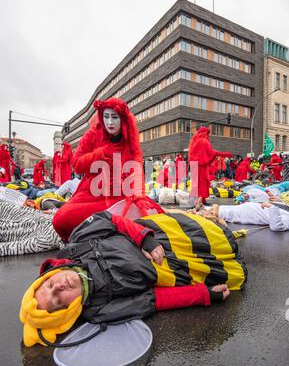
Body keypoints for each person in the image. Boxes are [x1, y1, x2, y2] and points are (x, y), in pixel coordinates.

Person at [19, 209, 248, 347]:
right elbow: (154, 300)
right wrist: (203, 295)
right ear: (70, 310)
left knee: (217, 234)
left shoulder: (78, 241)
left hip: (157, 235)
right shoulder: (102, 310)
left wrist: (145, 239)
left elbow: (112, 220)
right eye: (59, 300)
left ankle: (217, 221)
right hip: (172, 269)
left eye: (49, 284)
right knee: (236, 272)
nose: (59, 286)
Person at [52, 98, 163, 242]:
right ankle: (106, 231)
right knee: (61, 220)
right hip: (91, 194)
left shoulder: (129, 140)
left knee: (158, 220)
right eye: (106, 117)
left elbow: (136, 169)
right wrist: (100, 153)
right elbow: (77, 164)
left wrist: (139, 196)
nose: (109, 122)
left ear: (122, 119)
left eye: (115, 117)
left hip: (121, 195)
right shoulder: (92, 135)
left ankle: (107, 230)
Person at [188, 127, 232, 204]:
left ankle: (196, 200)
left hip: (194, 165)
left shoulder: (194, 141)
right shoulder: (204, 141)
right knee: (203, 183)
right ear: (206, 133)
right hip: (201, 166)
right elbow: (212, 152)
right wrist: (224, 154)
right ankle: (201, 200)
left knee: (196, 183)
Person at [203, 201, 289, 231]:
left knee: (221, 212)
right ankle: (204, 209)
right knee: (219, 208)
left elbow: (277, 226)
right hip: (249, 209)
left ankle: (202, 214)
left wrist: (271, 207)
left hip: (249, 214)